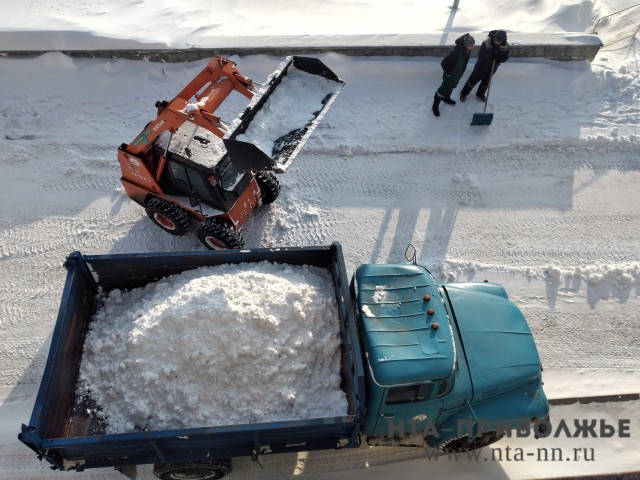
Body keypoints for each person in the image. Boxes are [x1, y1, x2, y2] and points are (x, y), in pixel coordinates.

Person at [459, 29, 510, 103]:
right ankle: (463, 94)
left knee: (485, 83)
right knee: (472, 81)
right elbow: (481, 55)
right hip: (481, 66)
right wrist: (491, 55)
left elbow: (506, 57)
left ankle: (480, 94)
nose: (496, 42)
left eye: (499, 41)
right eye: (495, 39)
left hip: (493, 67)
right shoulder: (487, 43)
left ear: (503, 40)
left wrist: (499, 59)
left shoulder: (506, 46)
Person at [432, 33, 475, 117]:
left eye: (472, 45)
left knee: (452, 86)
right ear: (465, 44)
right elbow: (444, 63)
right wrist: (448, 73)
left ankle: (446, 98)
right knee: (443, 90)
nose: (472, 47)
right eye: (470, 45)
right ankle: (435, 106)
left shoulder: (467, 50)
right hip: (450, 76)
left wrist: (461, 72)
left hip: (457, 74)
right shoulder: (456, 52)